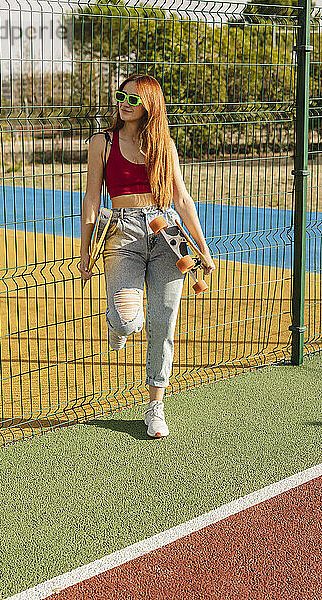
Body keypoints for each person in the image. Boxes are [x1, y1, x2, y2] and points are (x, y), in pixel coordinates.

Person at [79, 73, 216, 438]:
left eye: (135, 99)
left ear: (150, 106)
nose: (126, 103)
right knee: (128, 321)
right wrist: (85, 251)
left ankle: (155, 405)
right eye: (122, 96)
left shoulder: (163, 146)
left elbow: (183, 199)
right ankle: (118, 324)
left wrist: (202, 248)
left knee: (164, 322)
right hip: (122, 232)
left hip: (167, 233)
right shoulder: (102, 143)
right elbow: (92, 198)